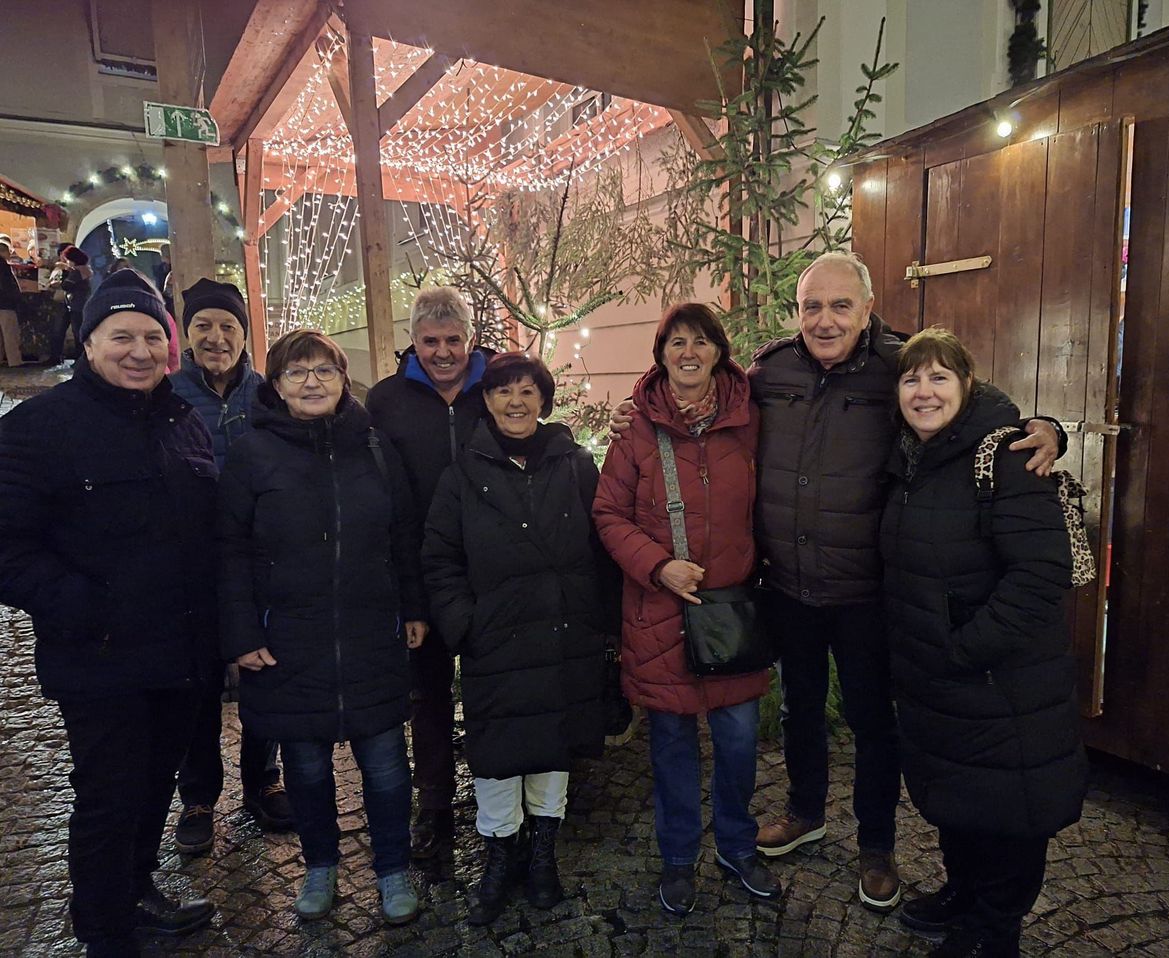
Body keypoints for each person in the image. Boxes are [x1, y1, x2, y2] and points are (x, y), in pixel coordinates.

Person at [610, 252, 1062, 912]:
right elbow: (700, 398)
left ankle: (876, 846)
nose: (825, 320)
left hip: (864, 589)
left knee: (871, 719)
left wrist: (1042, 428)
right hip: (789, 584)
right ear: (798, 313)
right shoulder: (771, 371)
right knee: (800, 710)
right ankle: (804, 812)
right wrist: (633, 413)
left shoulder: (898, 364)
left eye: (840, 306)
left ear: (867, 309)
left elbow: (971, 400)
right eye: (812, 306)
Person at [0, 268, 219, 958]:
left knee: (155, 783)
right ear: (90, 343)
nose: (139, 351)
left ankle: (135, 890)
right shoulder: (41, 427)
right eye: (122, 336)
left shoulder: (182, 421)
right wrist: (85, 606)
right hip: (98, 656)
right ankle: (104, 930)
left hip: (180, 650)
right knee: (109, 794)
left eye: (153, 337)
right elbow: (7, 547)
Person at [881, 327, 1087, 958]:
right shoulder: (911, 461)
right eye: (912, 378)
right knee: (960, 795)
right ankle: (964, 894)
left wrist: (965, 649)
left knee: (1010, 807)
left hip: (1002, 682)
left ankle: (994, 931)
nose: (924, 391)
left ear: (968, 386)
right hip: (943, 679)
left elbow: (1041, 575)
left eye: (939, 377)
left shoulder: (1009, 459)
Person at [217, 330, 425, 925]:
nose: (312, 382)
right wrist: (241, 633)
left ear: (342, 379)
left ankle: (393, 869)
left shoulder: (374, 448)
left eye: (324, 371)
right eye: (297, 372)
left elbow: (403, 537)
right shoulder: (252, 453)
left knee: (386, 765)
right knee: (306, 768)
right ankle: (320, 865)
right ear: (276, 385)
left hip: (370, 632)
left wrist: (414, 608)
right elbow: (229, 550)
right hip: (287, 639)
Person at [593, 303, 781, 916]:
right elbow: (608, 514)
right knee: (672, 748)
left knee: (738, 744)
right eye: (676, 342)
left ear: (719, 351)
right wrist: (658, 565)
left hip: (731, 613)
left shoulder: (750, 419)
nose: (689, 353)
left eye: (701, 341)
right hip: (659, 614)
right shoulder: (636, 427)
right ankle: (678, 858)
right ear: (661, 355)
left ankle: (737, 846)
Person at [422, 352, 613, 926]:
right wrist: (465, 624)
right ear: (486, 400)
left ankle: (543, 853)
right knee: (496, 755)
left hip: (561, 635)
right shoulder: (461, 474)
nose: (516, 402)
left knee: (551, 747)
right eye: (504, 390)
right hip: (495, 642)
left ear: (543, 401)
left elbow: (602, 546)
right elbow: (440, 560)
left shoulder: (575, 465)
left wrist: (598, 622)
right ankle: (500, 856)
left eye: (528, 391)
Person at [365, 285, 494, 862]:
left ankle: (499, 798)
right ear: (413, 341)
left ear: (471, 339)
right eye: (430, 341)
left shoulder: (496, 387)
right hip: (420, 569)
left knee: (493, 686)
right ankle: (435, 805)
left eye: (453, 340)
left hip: (492, 567)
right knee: (429, 695)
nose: (443, 352)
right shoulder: (386, 401)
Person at [167, 278, 292, 855]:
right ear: (187, 334)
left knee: (264, 672)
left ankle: (263, 780)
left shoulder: (268, 394)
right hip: (190, 562)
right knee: (197, 684)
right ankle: (197, 796)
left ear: (244, 335)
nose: (216, 338)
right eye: (204, 326)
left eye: (228, 327)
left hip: (260, 559)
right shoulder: (166, 396)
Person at [50, 244, 91, 365]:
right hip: (81, 304)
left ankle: (79, 359)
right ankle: (80, 358)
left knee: (77, 332)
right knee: (78, 332)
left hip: (76, 305)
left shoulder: (77, 272)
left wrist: (62, 275)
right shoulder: (85, 269)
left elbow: (66, 285)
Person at [0, 233, 26, 366]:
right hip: (6, 304)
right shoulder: (3, 266)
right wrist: (17, 298)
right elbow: (8, 285)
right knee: (10, 334)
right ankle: (15, 362)